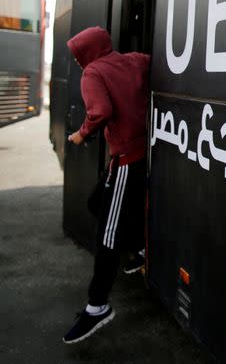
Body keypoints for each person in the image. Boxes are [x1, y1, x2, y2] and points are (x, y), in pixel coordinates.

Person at [62, 26, 150, 344]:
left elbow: (100, 111)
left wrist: (82, 134)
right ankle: (139, 246)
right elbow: (154, 62)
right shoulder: (133, 60)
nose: (76, 60)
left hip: (126, 161)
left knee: (107, 236)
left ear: (86, 52)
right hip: (138, 157)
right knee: (95, 203)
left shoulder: (92, 73)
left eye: (76, 54)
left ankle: (98, 306)